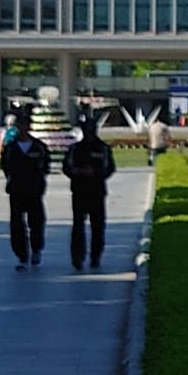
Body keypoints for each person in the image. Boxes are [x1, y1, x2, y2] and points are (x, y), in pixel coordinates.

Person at [63, 115, 116, 271]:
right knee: (78, 226)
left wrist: (97, 173)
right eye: (87, 130)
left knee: (98, 227)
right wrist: (79, 172)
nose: (89, 133)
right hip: (79, 191)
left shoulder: (103, 148)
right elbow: (66, 167)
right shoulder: (75, 149)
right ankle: (77, 257)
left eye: (92, 130)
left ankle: (95, 256)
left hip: (97, 191)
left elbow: (110, 168)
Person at [1, 110, 52, 270]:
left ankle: (36, 249)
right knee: (17, 223)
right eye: (19, 125)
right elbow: (6, 167)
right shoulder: (10, 148)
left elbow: (45, 166)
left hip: (35, 190)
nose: (22, 128)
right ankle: (22, 255)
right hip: (16, 190)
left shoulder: (39, 147)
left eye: (24, 124)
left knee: (36, 221)